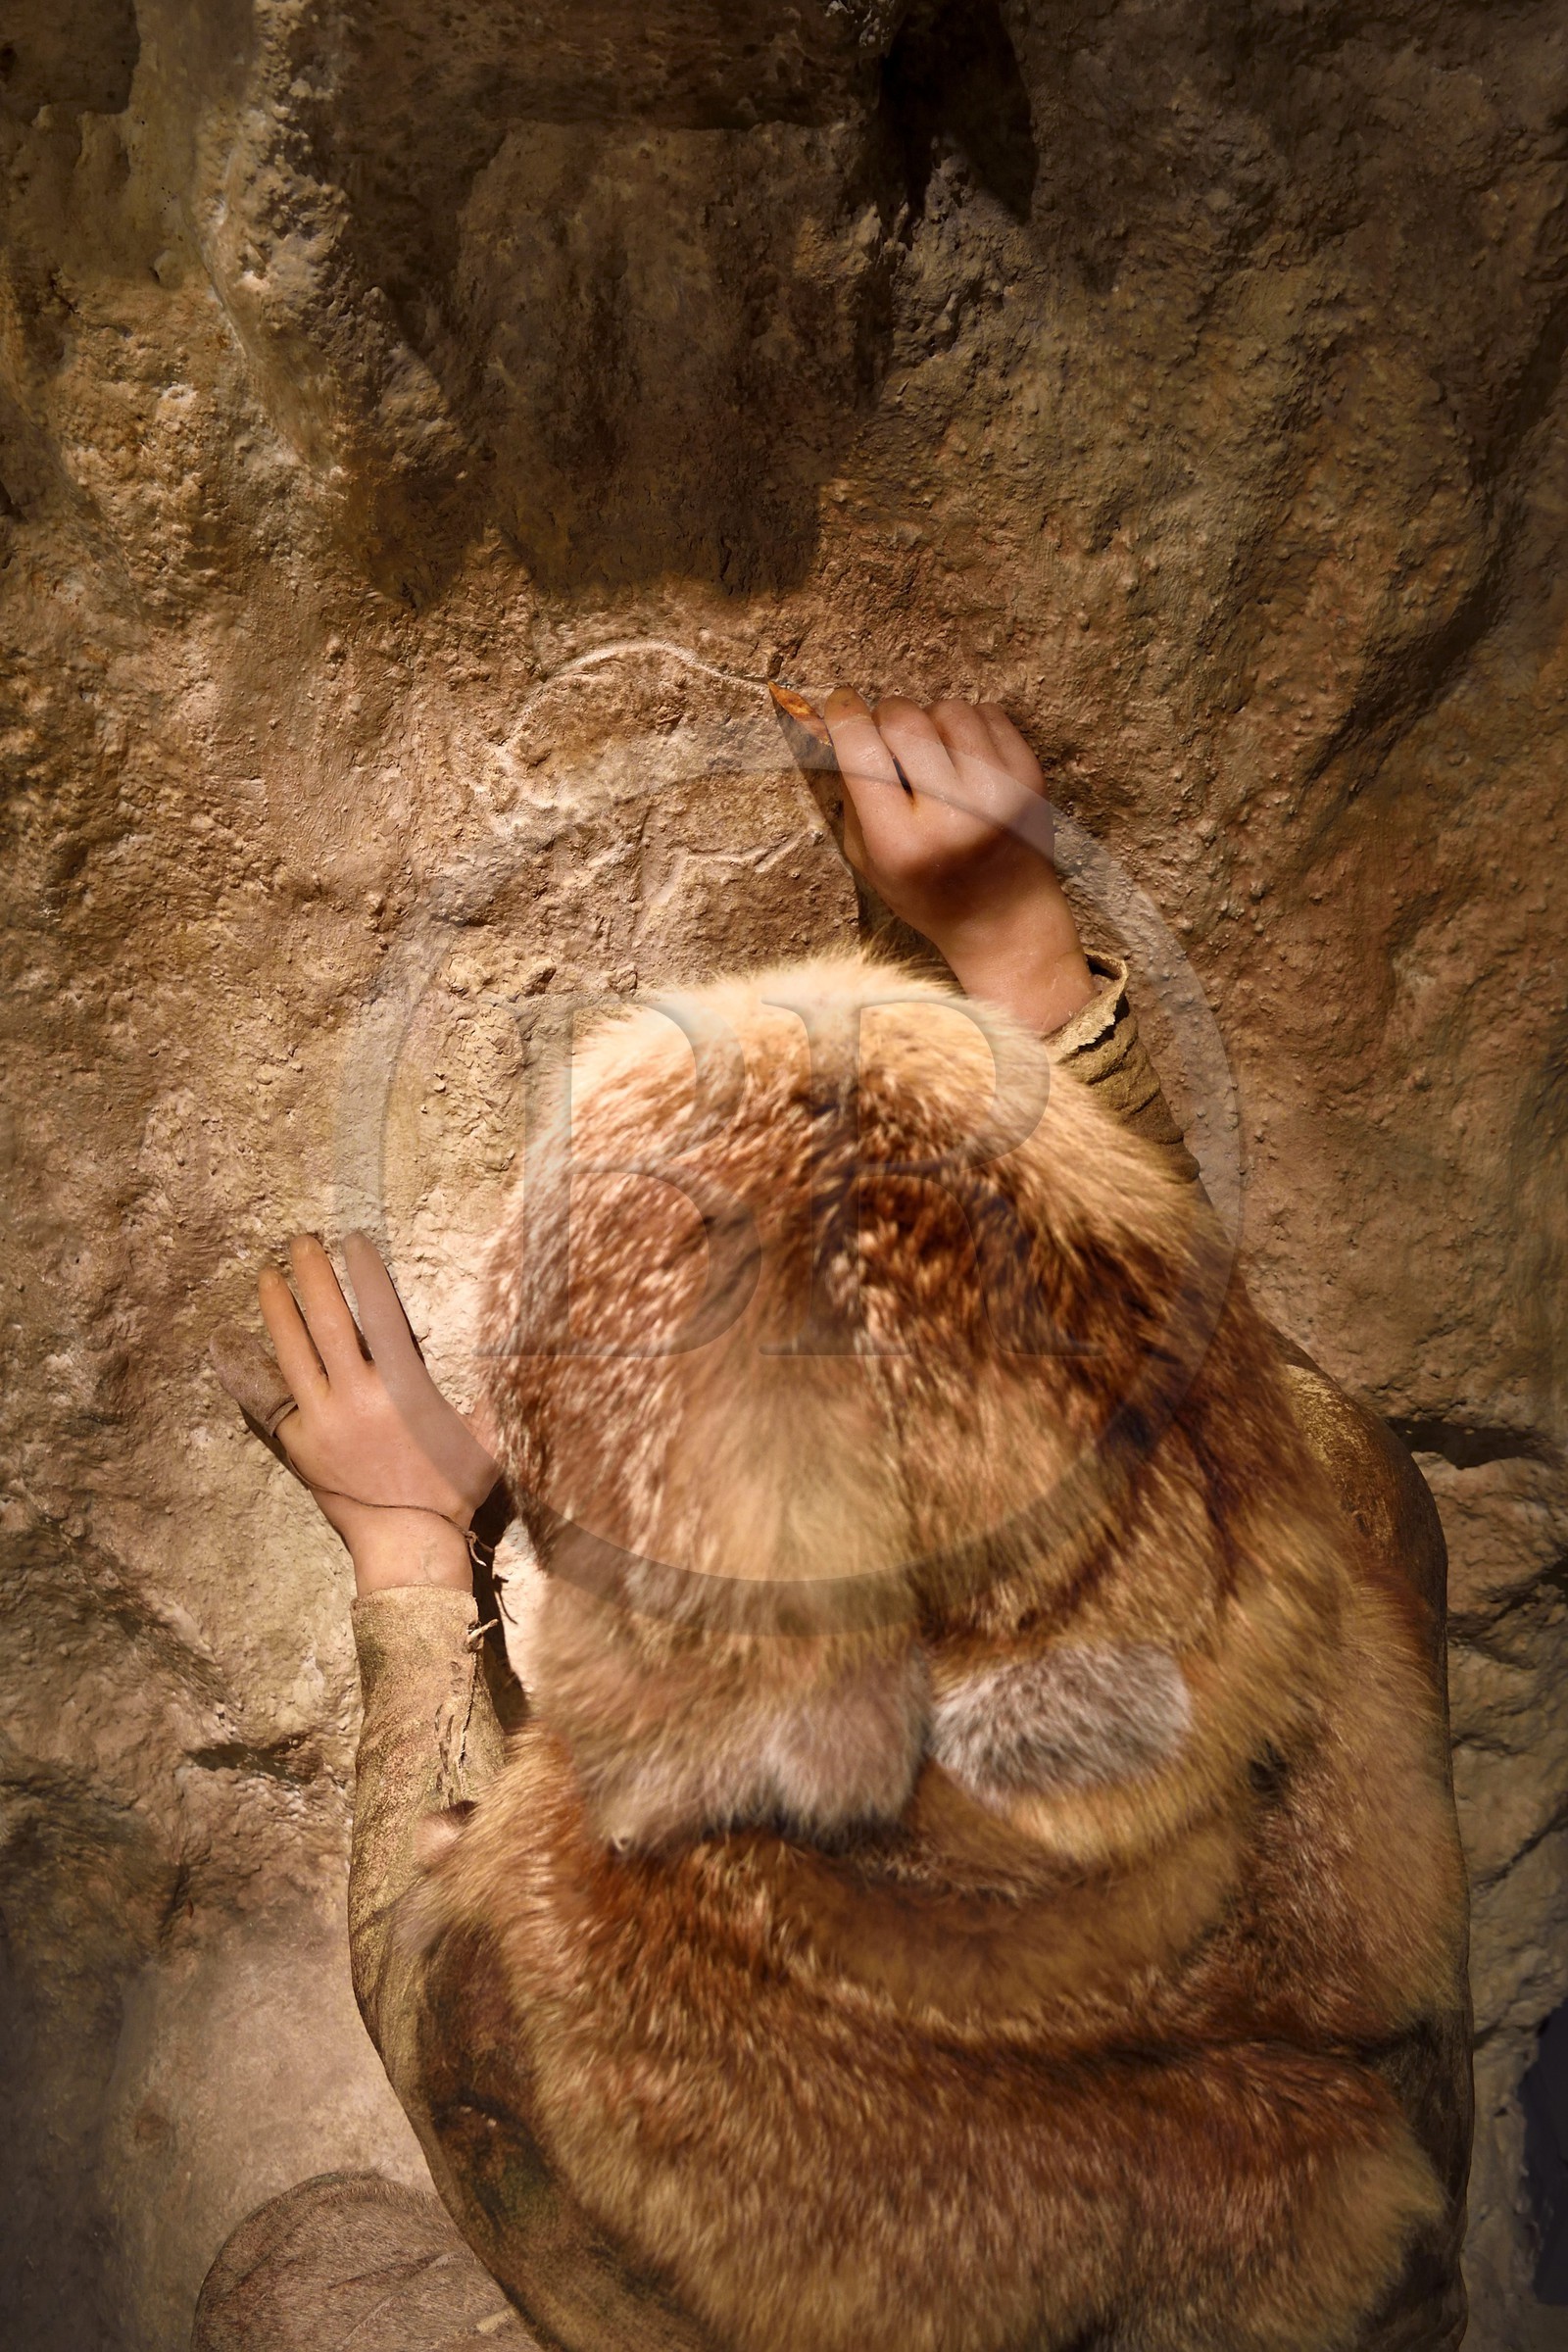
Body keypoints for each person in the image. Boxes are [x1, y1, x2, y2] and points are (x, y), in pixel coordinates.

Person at [206, 693, 1471, 2352]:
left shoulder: (559, 2058)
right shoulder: (1335, 1546)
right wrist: (1021, 951)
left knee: (296, 2286)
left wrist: (410, 1552)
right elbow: (1216, 1415)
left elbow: (428, 1988)